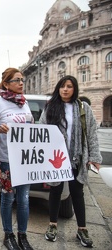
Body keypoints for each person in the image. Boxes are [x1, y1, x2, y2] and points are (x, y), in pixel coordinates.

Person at [40, 75, 102, 248]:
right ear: (58, 89)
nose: (65, 89)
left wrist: (94, 157)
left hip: (77, 158)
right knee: (55, 191)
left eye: (69, 86)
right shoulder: (50, 107)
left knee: (77, 193)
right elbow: (42, 132)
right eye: (62, 86)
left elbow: (91, 134)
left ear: (74, 89)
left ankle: (82, 229)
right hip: (57, 159)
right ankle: (52, 225)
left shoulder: (84, 108)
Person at [0, 68, 34, 250]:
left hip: (24, 160)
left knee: (24, 200)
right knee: (8, 199)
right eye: (17, 80)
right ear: (6, 84)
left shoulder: (24, 103)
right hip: (6, 160)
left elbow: (30, 126)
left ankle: (22, 235)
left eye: (22, 79)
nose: (21, 83)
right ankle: (8, 234)